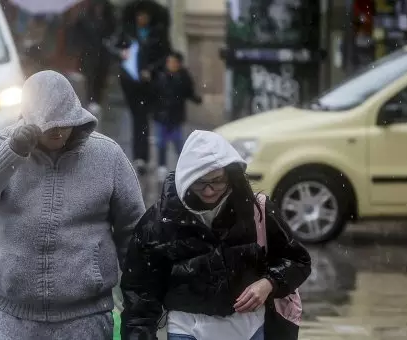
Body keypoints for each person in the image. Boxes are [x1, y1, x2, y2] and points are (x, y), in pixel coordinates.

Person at [0, 70, 146, 340]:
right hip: (0, 311)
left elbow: (134, 231)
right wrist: (12, 152)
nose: (58, 130)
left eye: (65, 122)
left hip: (83, 317)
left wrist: (139, 301)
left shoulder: (108, 156)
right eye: (49, 124)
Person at [120, 130, 312, 340]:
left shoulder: (258, 211)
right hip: (186, 330)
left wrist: (269, 283)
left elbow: (298, 260)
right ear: (186, 177)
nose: (210, 190)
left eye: (218, 180)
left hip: (250, 329)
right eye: (200, 182)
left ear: (231, 175)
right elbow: (140, 293)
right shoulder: (158, 222)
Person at [112, 6, 172, 174]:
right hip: (132, 83)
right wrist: (121, 53)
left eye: (144, 15)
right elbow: (114, 48)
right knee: (139, 119)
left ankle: (157, 160)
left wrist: (151, 70)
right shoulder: (127, 33)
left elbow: (165, 56)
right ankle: (141, 157)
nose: (141, 18)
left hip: (150, 84)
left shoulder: (157, 34)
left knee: (154, 119)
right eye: (139, 15)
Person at [151, 51, 202, 180]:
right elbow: (154, 92)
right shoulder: (161, 75)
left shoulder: (183, 77)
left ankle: (182, 168)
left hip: (176, 116)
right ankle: (161, 167)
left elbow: (188, 92)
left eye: (174, 62)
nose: (171, 64)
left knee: (179, 144)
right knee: (161, 143)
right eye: (169, 62)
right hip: (162, 116)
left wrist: (196, 98)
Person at [72, 0, 116, 117]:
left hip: (102, 54)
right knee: (90, 77)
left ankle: (95, 100)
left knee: (100, 78)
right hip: (89, 54)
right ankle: (91, 100)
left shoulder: (109, 16)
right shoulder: (85, 17)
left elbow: (113, 32)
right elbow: (78, 32)